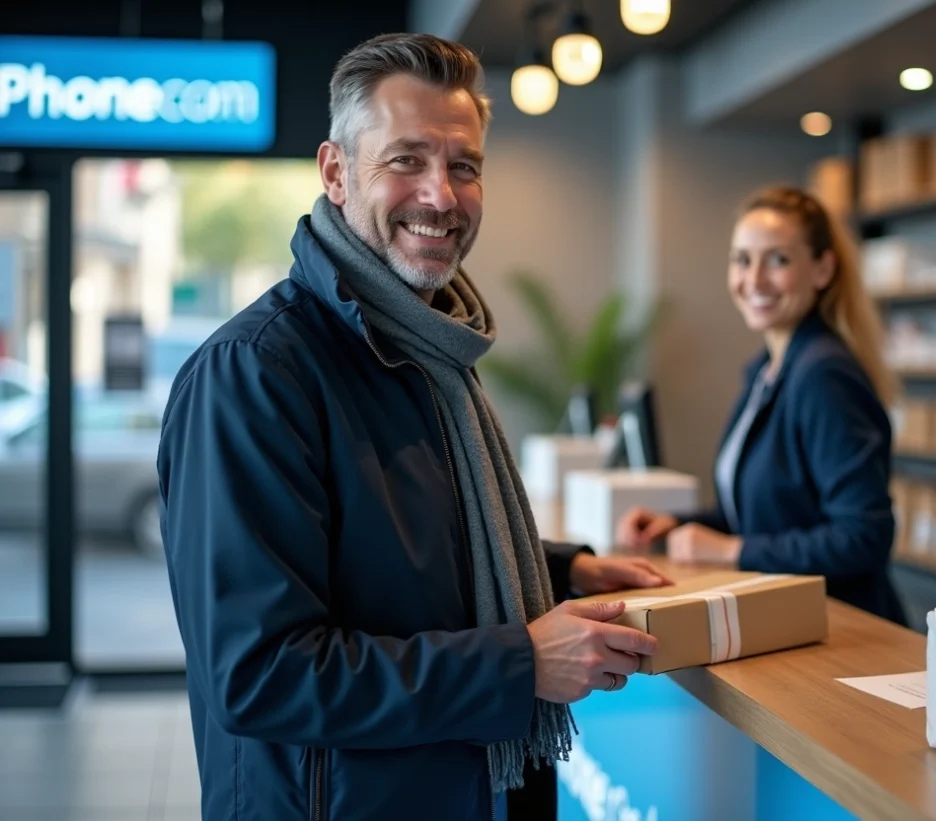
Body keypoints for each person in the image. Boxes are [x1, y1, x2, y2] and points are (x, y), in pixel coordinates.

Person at [157, 33, 672, 821]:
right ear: (335, 172)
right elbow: (261, 672)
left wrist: (562, 570)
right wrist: (519, 663)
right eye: (406, 160)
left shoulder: (430, 350)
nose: (441, 194)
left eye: (464, 166)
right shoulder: (254, 373)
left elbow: (406, 552)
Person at [617, 185, 906, 624]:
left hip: (846, 629)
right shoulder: (767, 370)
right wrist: (679, 525)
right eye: (742, 259)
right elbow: (766, 513)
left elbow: (864, 535)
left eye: (778, 260)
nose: (753, 280)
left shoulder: (823, 374)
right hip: (790, 617)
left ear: (823, 269)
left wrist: (732, 550)